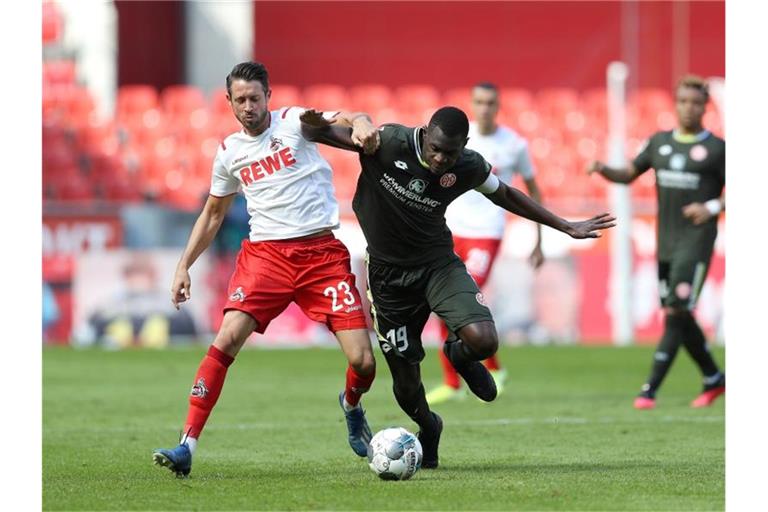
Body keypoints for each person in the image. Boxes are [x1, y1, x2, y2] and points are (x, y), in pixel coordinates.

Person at [301, 106, 615, 468]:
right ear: (424, 134)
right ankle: (429, 426)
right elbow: (313, 133)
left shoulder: (466, 165)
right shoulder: (387, 143)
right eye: (435, 148)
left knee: (484, 339)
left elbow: (506, 195)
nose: (440, 159)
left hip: (438, 265)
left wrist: (565, 226)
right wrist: (337, 118)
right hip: (389, 280)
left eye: (449, 152)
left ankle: (457, 355)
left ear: (463, 146)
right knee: (405, 388)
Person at [152, 61, 381, 477]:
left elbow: (341, 117)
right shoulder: (229, 152)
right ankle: (187, 443)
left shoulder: (293, 122)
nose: (248, 107)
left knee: (364, 362)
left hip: (321, 257)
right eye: (239, 100)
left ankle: (351, 405)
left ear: (268, 97)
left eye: (255, 98)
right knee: (227, 340)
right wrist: (183, 265)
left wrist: (362, 120)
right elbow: (213, 213)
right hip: (266, 258)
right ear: (229, 102)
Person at [587, 75, 725, 410]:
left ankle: (649, 390)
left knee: (677, 309)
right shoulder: (659, 143)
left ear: (705, 106)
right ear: (675, 104)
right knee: (678, 314)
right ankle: (714, 378)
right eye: (682, 101)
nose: (688, 108)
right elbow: (630, 173)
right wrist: (603, 169)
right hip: (666, 242)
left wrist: (711, 207)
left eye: (695, 102)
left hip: (696, 241)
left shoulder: (718, 149)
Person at [426, 82, 544, 405]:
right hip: (453, 232)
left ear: (498, 105)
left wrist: (540, 240)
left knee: (459, 300)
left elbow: (532, 191)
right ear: (472, 104)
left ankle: (494, 369)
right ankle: (453, 384)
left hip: (487, 234)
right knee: (441, 307)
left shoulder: (514, 145)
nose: (485, 107)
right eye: (479, 101)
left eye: (490, 102)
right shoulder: (459, 140)